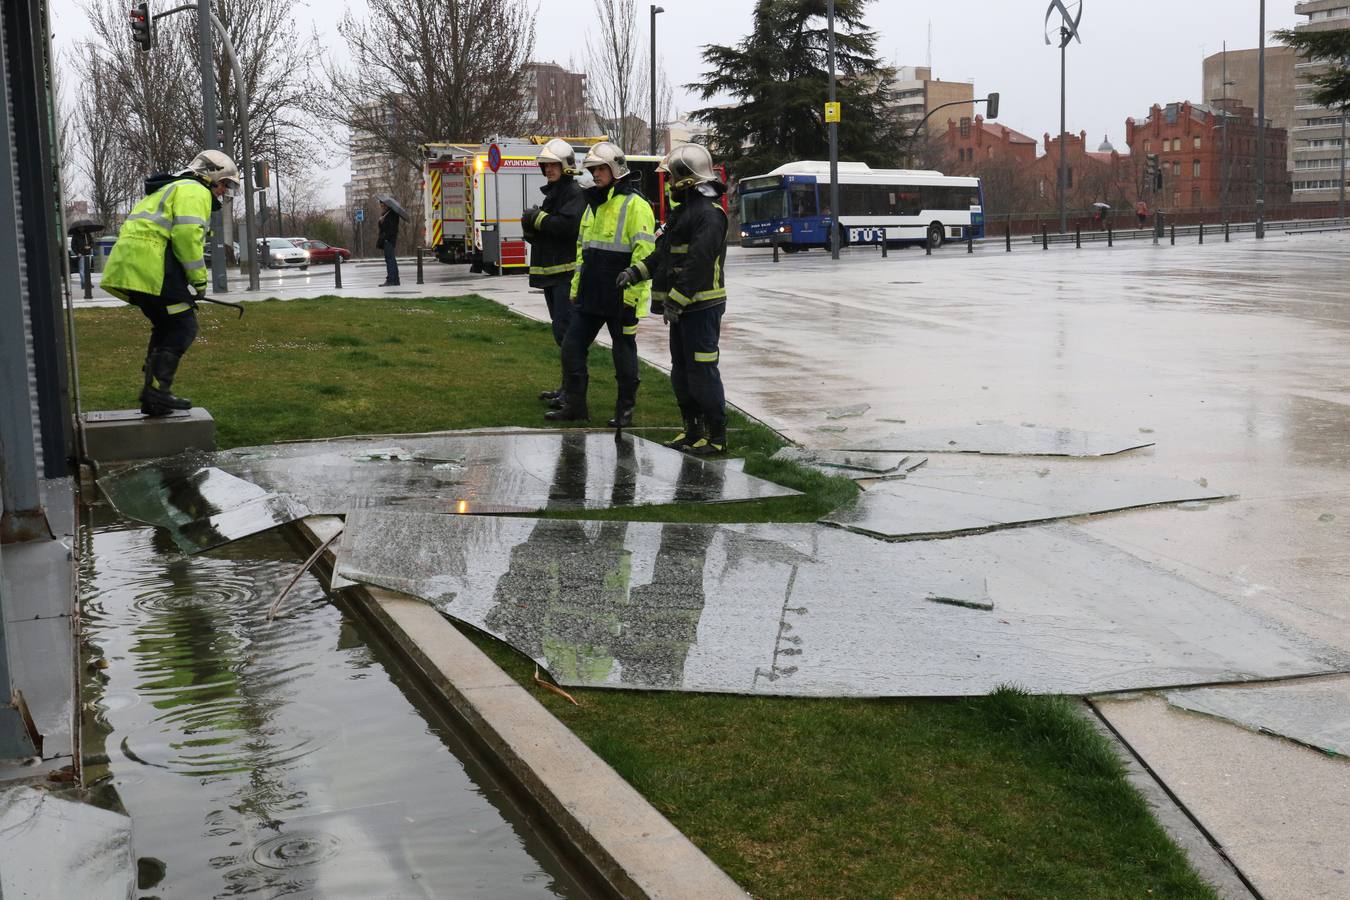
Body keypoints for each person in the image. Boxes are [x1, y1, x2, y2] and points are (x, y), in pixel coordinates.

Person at [101, 149, 240, 416]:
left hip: (136, 267)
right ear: (211, 177)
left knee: (166, 327)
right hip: (153, 268)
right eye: (225, 184)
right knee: (183, 327)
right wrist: (199, 282)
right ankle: (156, 393)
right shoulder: (195, 191)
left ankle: (154, 394)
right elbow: (187, 238)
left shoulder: (172, 188)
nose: (225, 191)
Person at [617, 143, 730, 455]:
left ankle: (717, 437)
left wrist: (676, 301)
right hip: (681, 309)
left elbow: (698, 263)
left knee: (702, 370)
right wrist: (635, 272)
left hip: (702, 307)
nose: (667, 184)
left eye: (670, 177)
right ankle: (693, 432)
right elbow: (662, 255)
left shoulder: (710, 215)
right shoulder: (683, 214)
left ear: (686, 178)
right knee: (681, 371)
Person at [546, 142, 656, 426]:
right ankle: (575, 407)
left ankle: (624, 411)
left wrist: (632, 297)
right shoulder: (592, 204)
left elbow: (645, 256)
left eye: (600, 169)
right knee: (571, 348)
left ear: (616, 169)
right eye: (593, 169)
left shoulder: (636, 205)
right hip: (590, 294)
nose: (595, 174)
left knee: (623, 353)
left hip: (621, 296)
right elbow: (582, 252)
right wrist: (575, 290)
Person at [521, 139, 587, 405]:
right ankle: (566, 388)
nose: (548, 169)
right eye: (545, 165)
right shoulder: (555, 193)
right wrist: (532, 227)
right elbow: (548, 230)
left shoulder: (574, 192)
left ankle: (573, 394)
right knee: (562, 334)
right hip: (553, 276)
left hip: (565, 277)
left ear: (566, 166)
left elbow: (567, 226)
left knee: (567, 334)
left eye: (553, 165)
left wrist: (536, 218)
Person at [377, 200, 400, 286]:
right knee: (391, 259)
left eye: (382, 205)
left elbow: (390, 228)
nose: (381, 207)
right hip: (389, 240)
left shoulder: (392, 214)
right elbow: (382, 227)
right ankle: (396, 280)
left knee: (389, 260)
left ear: (387, 205)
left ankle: (391, 280)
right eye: (381, 205)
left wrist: (382, 222)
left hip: (389, 240)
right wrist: (380, 221)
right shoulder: (386, 214)